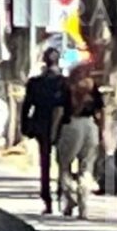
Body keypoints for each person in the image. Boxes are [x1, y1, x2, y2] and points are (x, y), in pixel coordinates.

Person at [20, 47, 69, 214]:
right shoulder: (64, 83)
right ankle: (63, 196)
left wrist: (25, 126)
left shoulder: (35, 83)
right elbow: (68, 106)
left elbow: (26, 106)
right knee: (64, 164)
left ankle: (47, 200)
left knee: (45, 164)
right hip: (62, 125)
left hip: (42, 124)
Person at [57, 65, 102, 218]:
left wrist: (54, 131)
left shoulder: (67, 87)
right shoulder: (92, 86)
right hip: (90, 126)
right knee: (86, 167)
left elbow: (60, 110)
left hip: (72, 125)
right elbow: (99, 111)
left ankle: (71, 197)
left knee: (64, 167)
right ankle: (84, 208)